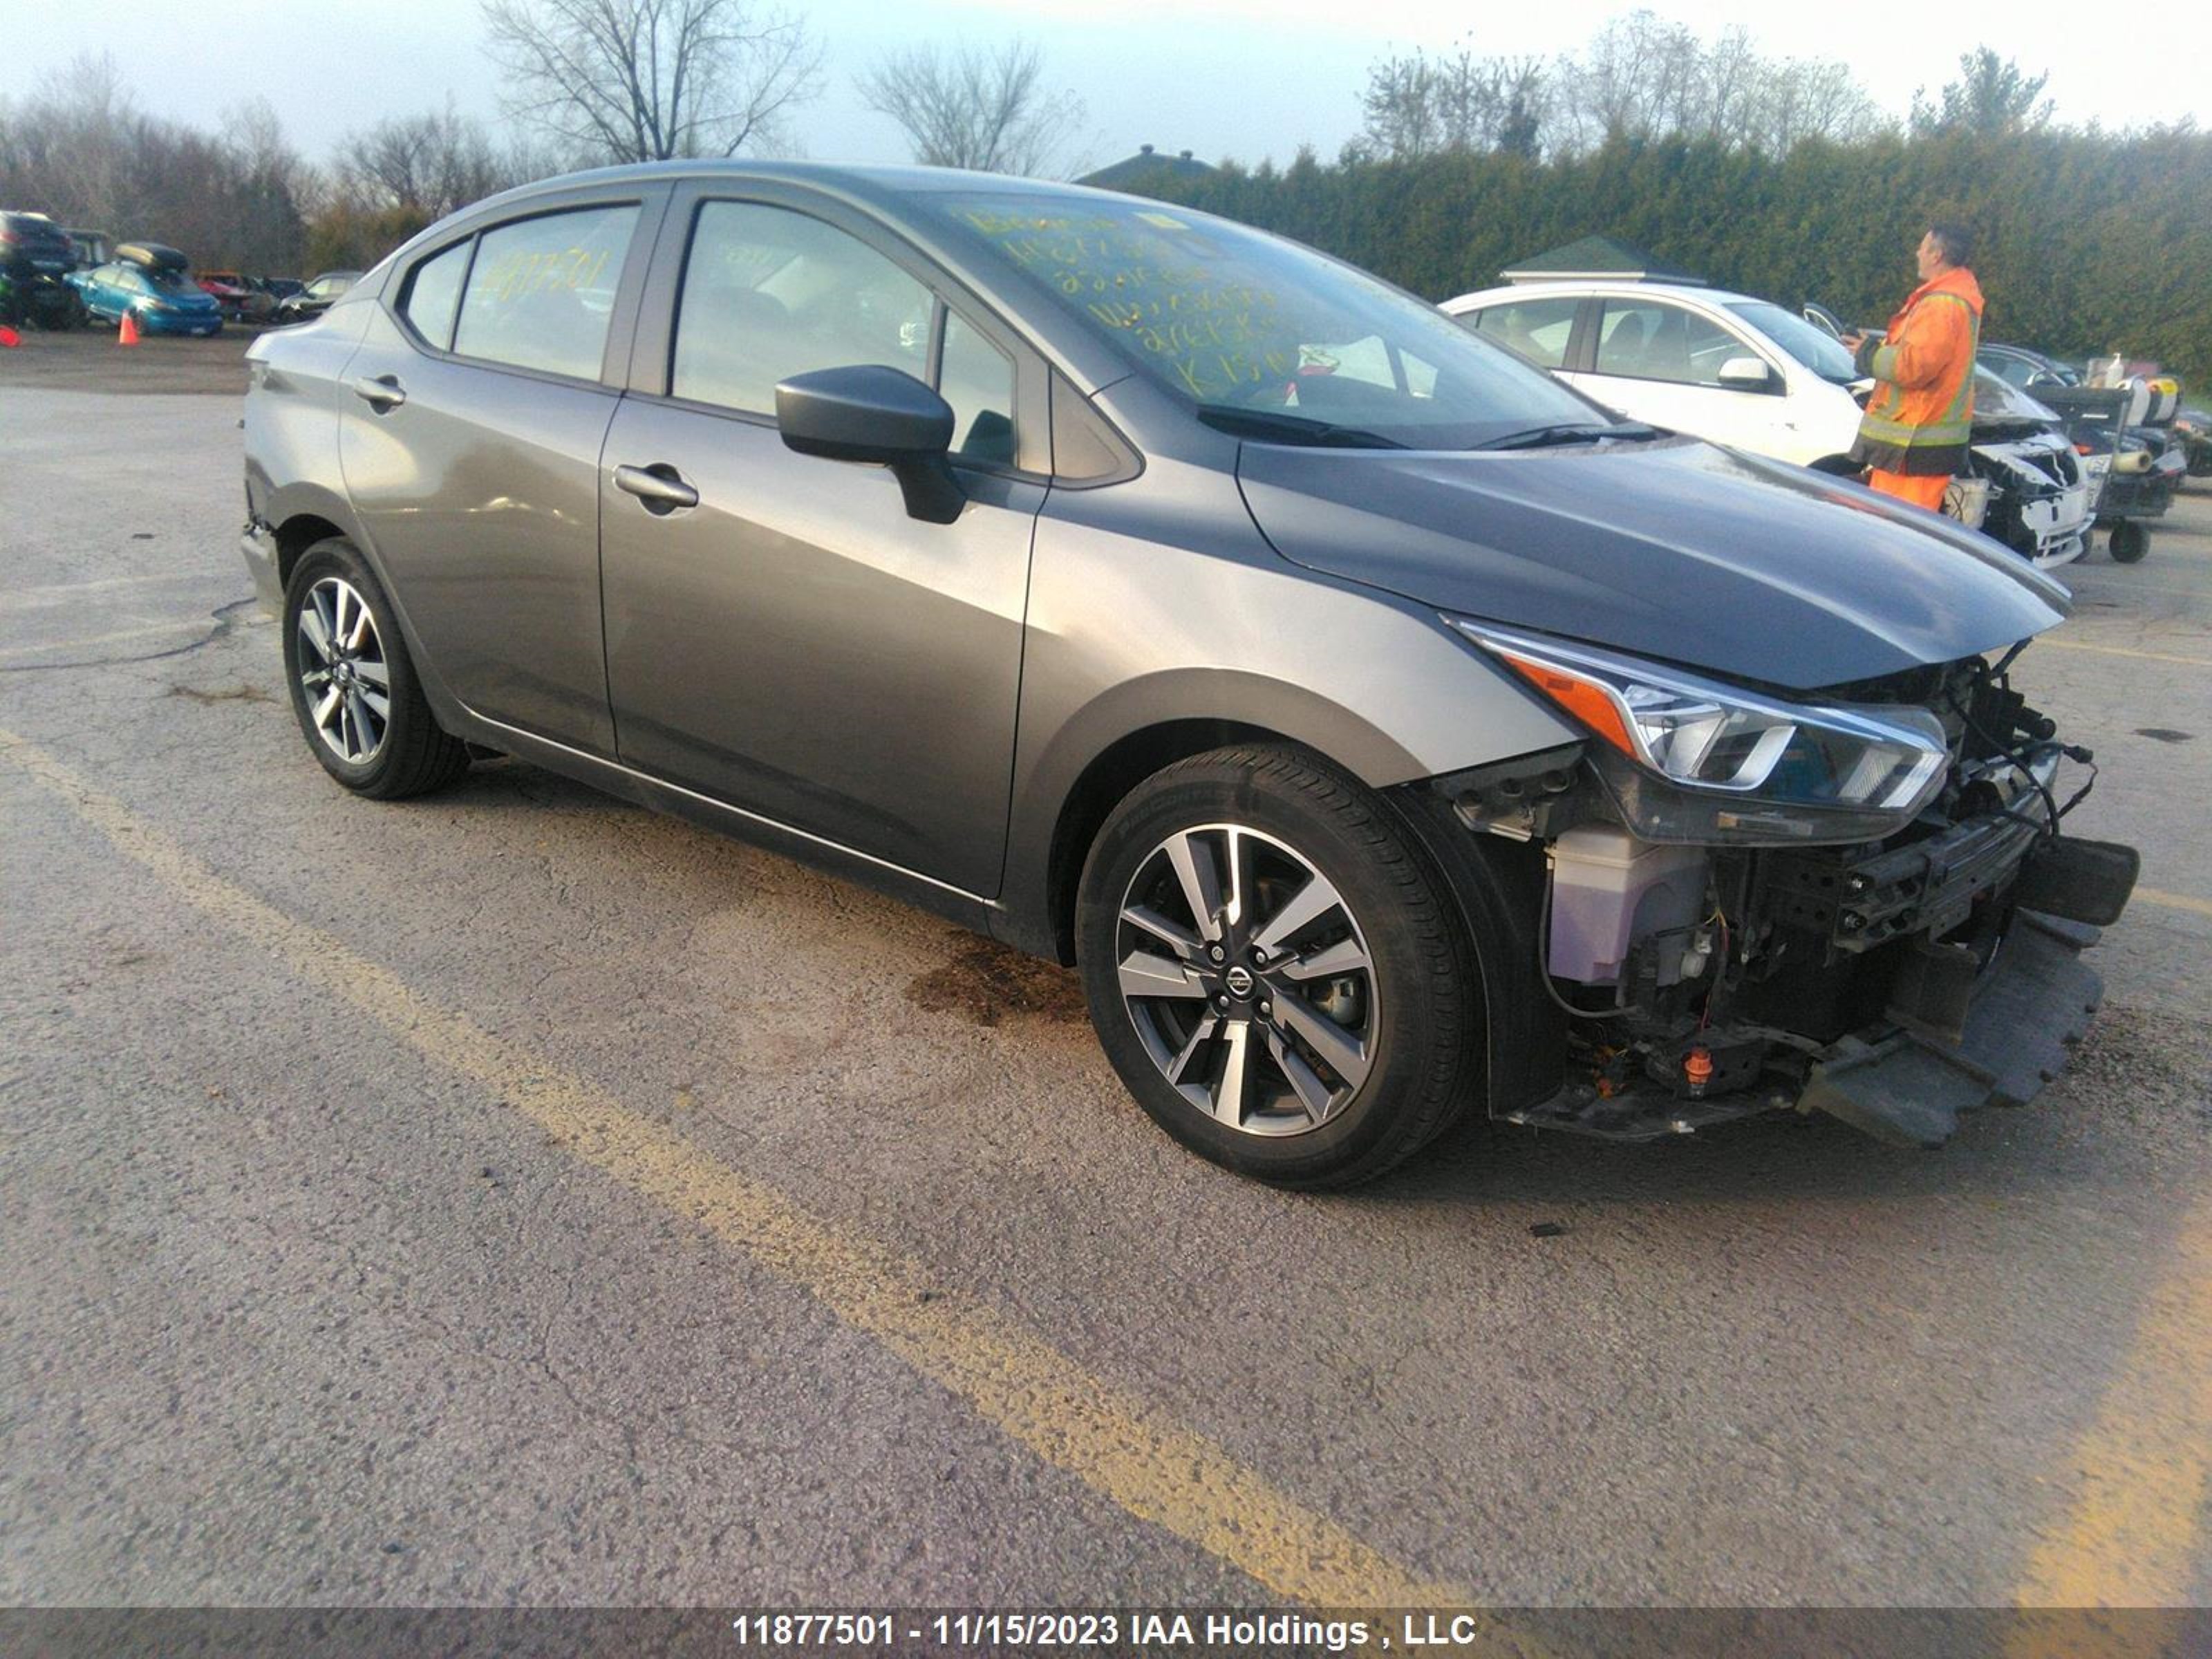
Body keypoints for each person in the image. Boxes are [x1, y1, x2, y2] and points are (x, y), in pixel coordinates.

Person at [1844, 223, 1984, 512]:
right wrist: (1875, 348)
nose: (1917, 252)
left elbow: (1914, 368)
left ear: (1937, 255)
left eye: (1922, 246)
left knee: (1899, 536)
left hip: (1914, 445)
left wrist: (1867, 354)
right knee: (1895, 533)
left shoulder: (1941, 305)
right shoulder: (1952, 299)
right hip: (1915, 446)